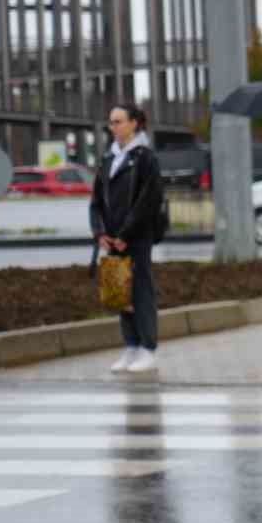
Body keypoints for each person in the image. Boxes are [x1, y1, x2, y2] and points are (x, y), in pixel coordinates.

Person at [89, 103, 165, 375]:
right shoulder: (108, 158)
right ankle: (131, 346)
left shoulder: (145, 157)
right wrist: (100, 233)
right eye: (111, 122)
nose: (114, 127)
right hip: (112, 239)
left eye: (119, 121)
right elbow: (96, 201)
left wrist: (126, 235)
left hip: (136, 237)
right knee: (120, 291)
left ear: (134, 123)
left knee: (141, 289)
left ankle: (148, 348)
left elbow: (149, 199)